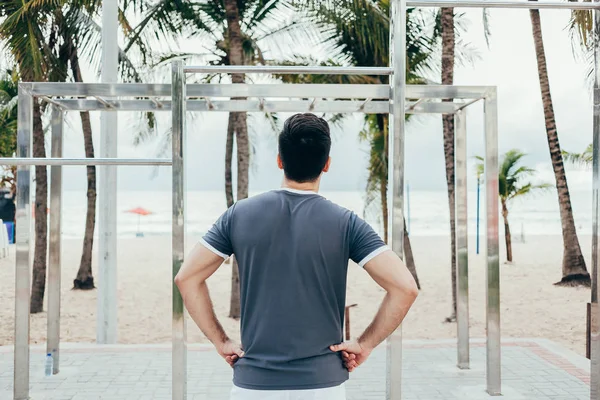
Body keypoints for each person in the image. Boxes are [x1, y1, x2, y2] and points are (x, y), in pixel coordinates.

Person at [174, 113, 419, 400]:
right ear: (327, 164)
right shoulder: (346, 223)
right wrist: (365, 344)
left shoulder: (239, 215)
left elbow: (187, 278)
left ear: (279, 160)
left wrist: (221, 341)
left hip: (254, 384)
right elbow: (405, 288)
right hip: (323, 384)